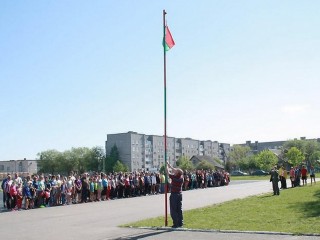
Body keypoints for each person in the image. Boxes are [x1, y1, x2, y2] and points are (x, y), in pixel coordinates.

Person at [166, 161, 184, 228]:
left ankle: (176, 223)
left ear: (177, 173)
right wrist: (169, 164)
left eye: (175, 171)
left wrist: (167, 167)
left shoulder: (174, 178)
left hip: (174, 195)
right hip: (179, 194)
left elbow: (168, 172)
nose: (174, 171)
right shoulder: (181, 177)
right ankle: (180, 223)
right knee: (179, 209)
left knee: (173, 210)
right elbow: (174, 170)